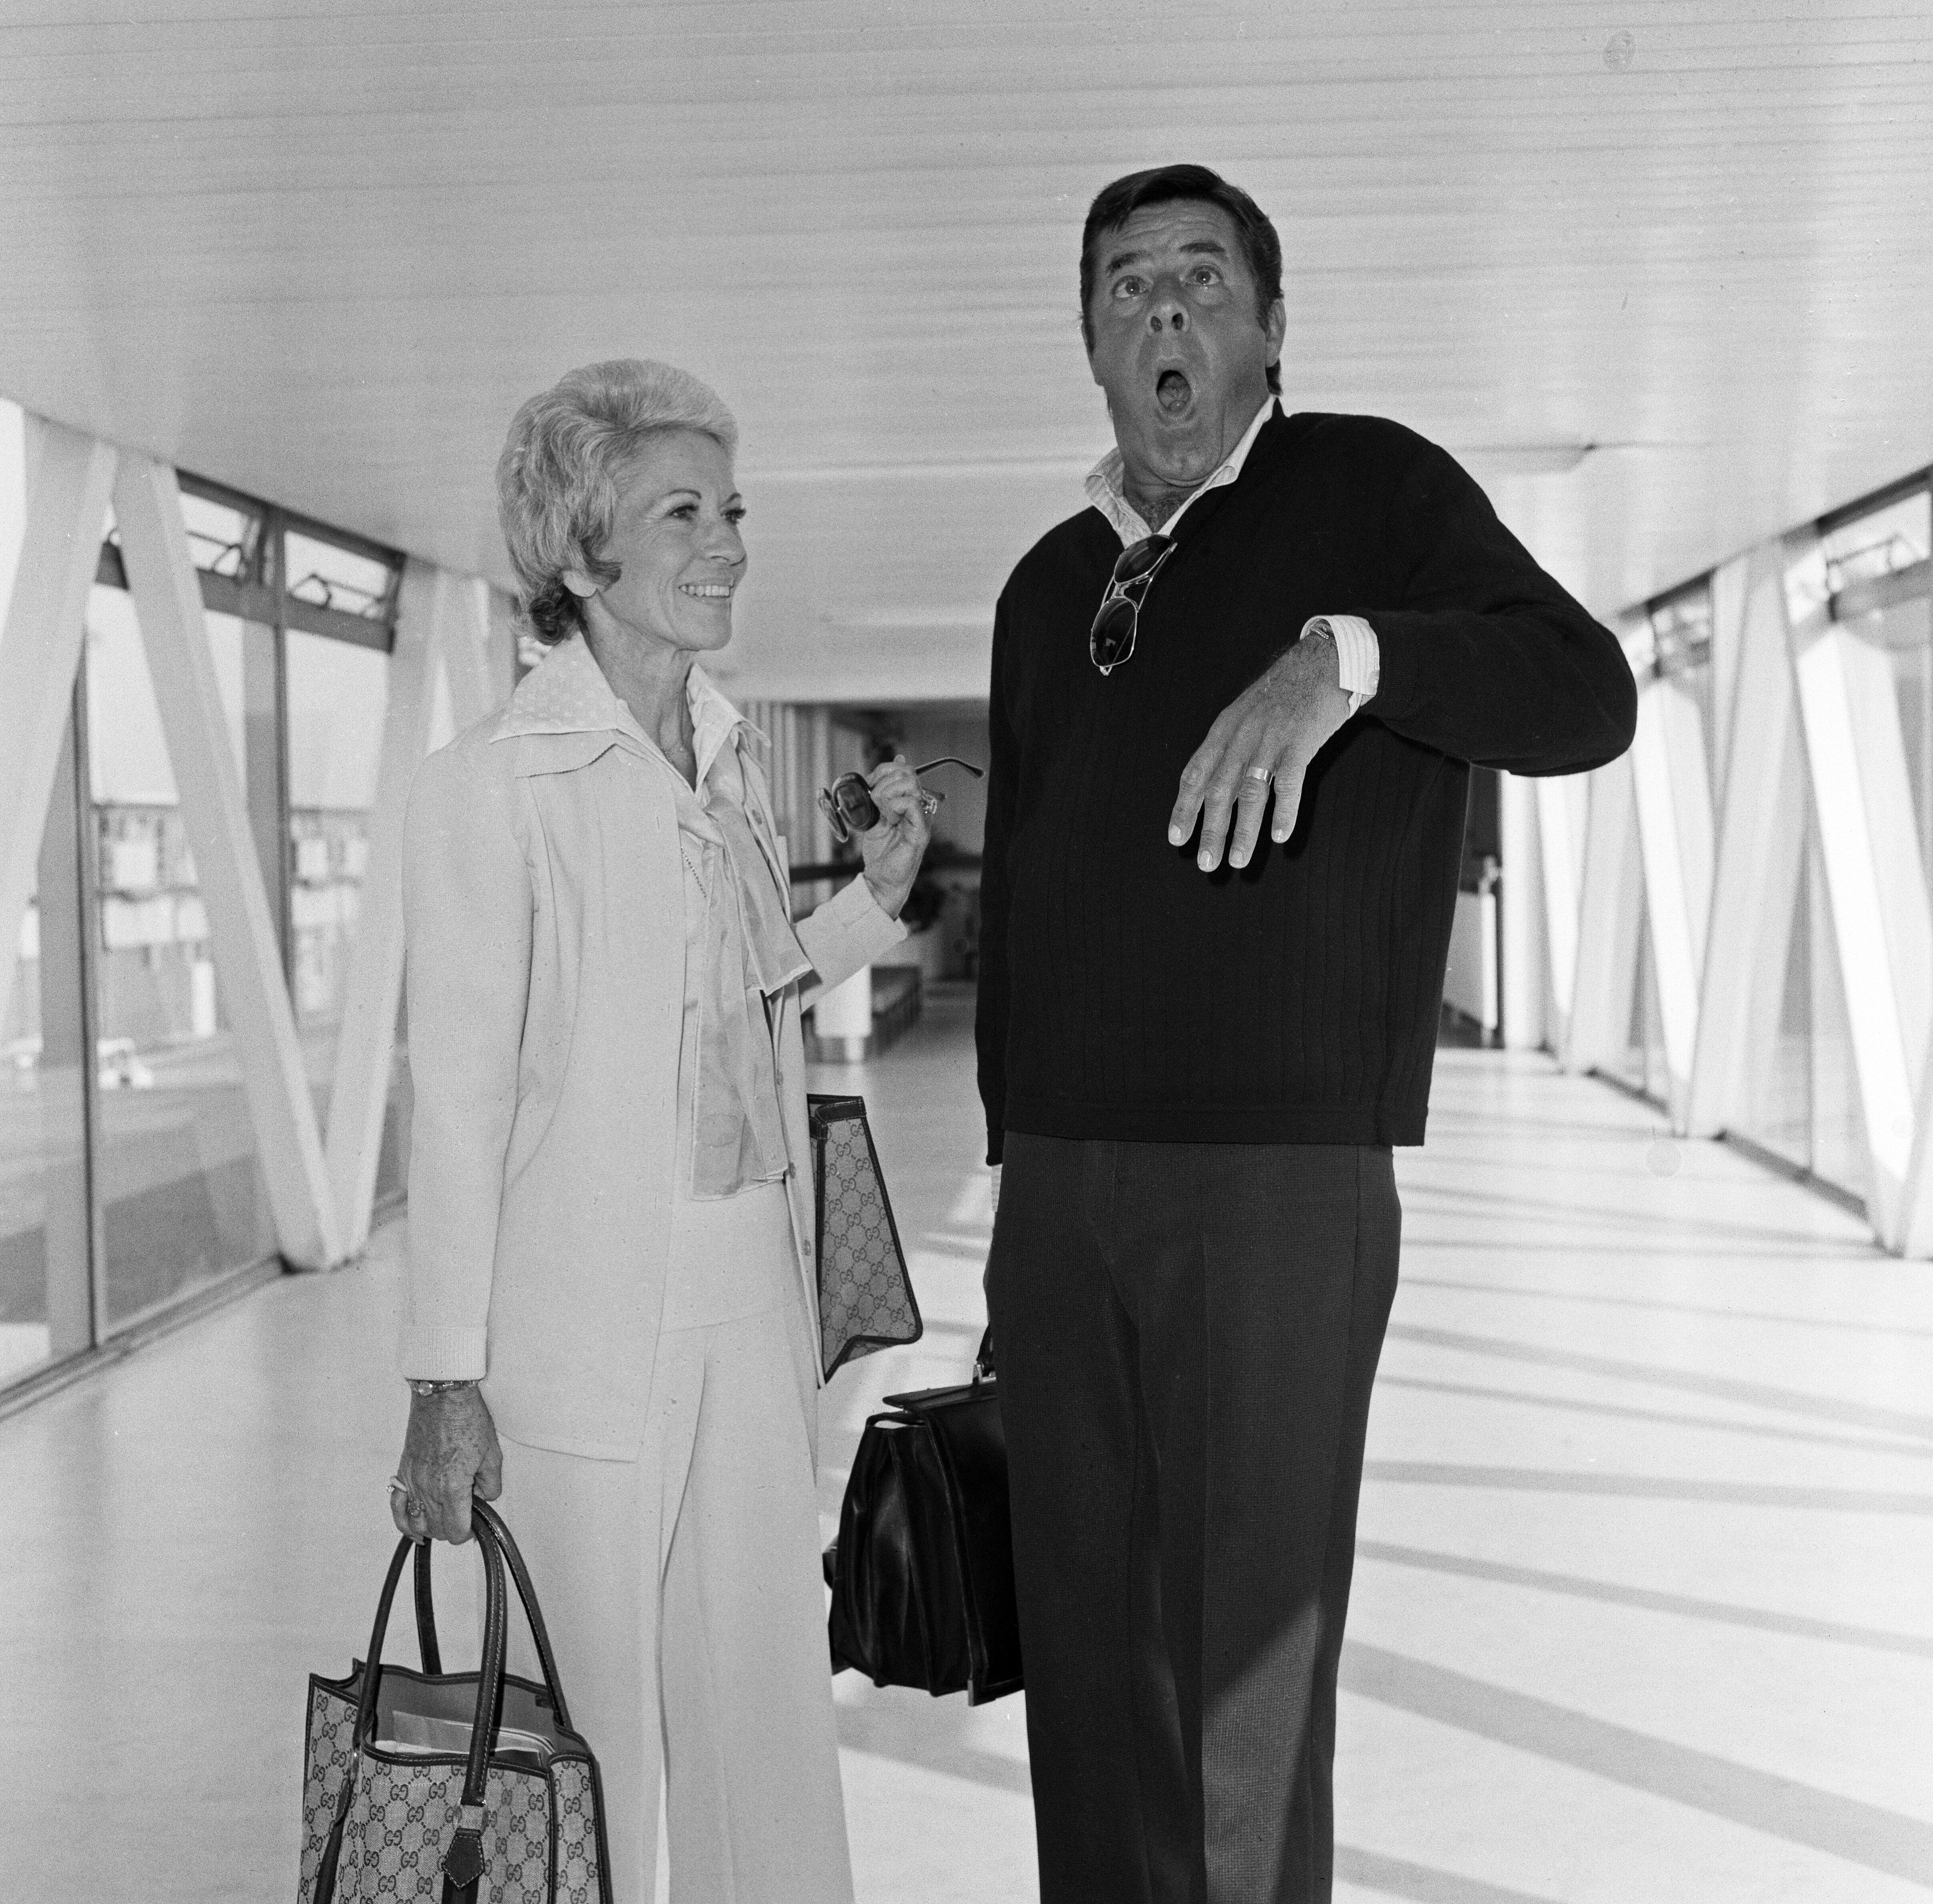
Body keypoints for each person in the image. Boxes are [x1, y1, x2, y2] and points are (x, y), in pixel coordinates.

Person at [976, 166, 1638, 1904]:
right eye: (1124, 286)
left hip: (1275, 1181)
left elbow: (1584, 692)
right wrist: (1006, 1194)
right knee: (1089, 1672)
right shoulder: (1046, 584)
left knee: (1243, 1679)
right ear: (1089, 342)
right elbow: (1048, 861)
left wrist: (1344, 657)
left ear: (1272, 327)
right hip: (1054, 1190)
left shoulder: (1371, 489)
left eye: (1201, 277)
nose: (1164, 311)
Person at [388, 358, 931, 1904]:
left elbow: (743, 995)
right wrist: (444, 1381)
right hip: (578, 1317)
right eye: (683, 511)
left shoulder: (724, 760)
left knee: (763, 1693)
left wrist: (871, 908)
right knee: (589, 1730)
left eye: (734, 508)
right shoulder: (492, 789)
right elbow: (463, 1099)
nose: (731, 544)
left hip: (748, 1287)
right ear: (581, 554)